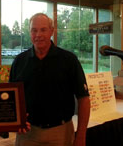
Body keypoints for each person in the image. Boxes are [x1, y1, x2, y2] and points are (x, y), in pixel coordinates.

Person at [9, 13, 90, 146]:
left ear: (51, 31)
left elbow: (84, 99)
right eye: (34, 30)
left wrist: (81, 136)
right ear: (29, 32)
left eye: (43, 30)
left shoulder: (69, 60)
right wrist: (14, 122)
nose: (38, 35)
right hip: (27, 134)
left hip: (60, 133)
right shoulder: (19, 61)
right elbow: (12, 98)